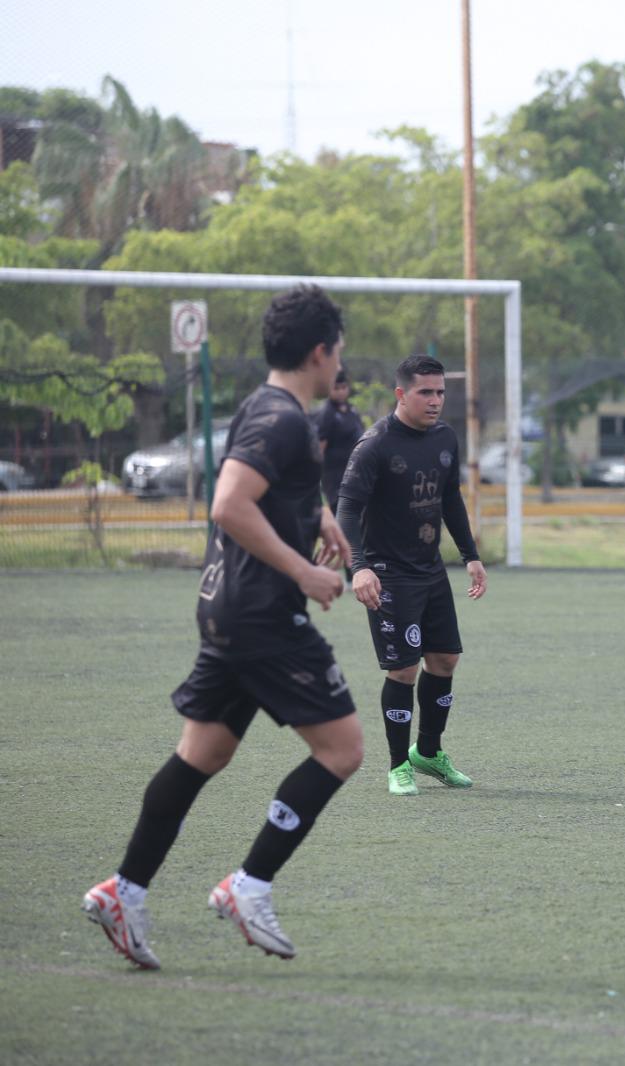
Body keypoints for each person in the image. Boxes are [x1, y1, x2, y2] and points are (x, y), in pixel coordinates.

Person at [82, 285, 360, 968]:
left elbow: (270, 484)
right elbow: (231, 504)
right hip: (263, 612)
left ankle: (125, 891)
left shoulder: (266, 407)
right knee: (343, 749)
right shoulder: (287, 418)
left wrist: (316, 513)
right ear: (321, 352)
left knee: (203, 753)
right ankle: (249, 885)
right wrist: (305, 571)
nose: (340, 362)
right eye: (339, 350)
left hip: (228, 607)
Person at [337, 354, 487, 797]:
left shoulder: (444, 437)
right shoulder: (375, 444)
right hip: (387, 574)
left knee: (444, 661)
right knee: (403, 669)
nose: (435, 400)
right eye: (426, 392)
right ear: (402, 394)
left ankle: (428, 752)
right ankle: (398, 765)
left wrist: (471, 555)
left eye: (441, 392)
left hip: (430, 570)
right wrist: (359, 567)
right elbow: (346, 510)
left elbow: (451, 499)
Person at [316, 368, 365, 511]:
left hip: (354, 471)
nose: (340, 391)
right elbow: (320, 447)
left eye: (343, 387)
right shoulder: (327, 414)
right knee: (340, 512)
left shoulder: (351, 409)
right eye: (336, 388)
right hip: (335, 476)